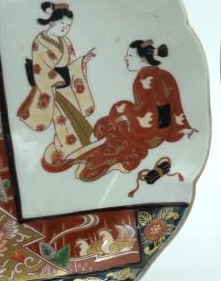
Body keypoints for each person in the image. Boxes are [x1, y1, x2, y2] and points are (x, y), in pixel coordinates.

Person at [46, 40, 196, 181]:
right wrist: (178, 127)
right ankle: (93, 156)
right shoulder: (161, 75)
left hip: (149, 129)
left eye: (130, 55)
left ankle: (94, 159)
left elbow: (161, 109)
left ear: (143, 59)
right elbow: (169, 105)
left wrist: (134, 120)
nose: (126, 58)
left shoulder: (147, 77)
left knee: (113, 124)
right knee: (113, 120)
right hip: (153, 127)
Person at [16, 2, 96, 167]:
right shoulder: (40, 41)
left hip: (67, 86)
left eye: (68, 26)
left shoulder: (66, 41)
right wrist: (55, 80)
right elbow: (41, 69)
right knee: (63, 121)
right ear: (52, 21)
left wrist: (83, 61)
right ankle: (67, 150)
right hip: (51, 88)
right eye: (62, 24)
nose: (65, 29)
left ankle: (82, 145)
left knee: (75, 116)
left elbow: (72, 64)